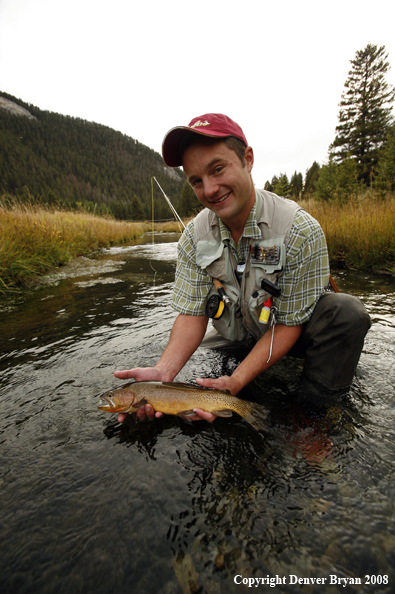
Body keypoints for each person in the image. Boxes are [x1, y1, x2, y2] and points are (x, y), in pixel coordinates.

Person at [115, 113, 371, 423]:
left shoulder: (300, 229)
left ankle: (313, 417)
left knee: (346, 313)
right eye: (196, 181)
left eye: (218, 169)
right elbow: (192, 314)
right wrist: (163, 373)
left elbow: (289, 324)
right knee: (201, 370)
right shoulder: (193, 238)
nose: (209, 189)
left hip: (294, 332)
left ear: (247, 159)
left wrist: (237, 381)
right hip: (238, 337)